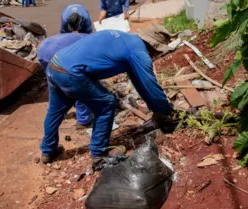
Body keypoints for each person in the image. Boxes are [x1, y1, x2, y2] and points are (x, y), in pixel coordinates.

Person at [40, 26, 174, 165]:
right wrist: (165, 110)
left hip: (54, 65)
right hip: (71, 73)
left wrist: (154, 106)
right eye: (157, 51)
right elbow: (149, 83)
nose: (156, 55)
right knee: (106, 103)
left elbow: (139, 82)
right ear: (152, 45)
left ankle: (48, 150)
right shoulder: (139, 51)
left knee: (55, 112)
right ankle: (98, 154)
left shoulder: (125, 38)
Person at [37, 34, 92, 129]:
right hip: (56, 54)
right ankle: (84, 121)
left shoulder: (86, 37)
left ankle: (55, 113)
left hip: (42, 51)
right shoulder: (92, 47)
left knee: (55, 85)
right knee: (80, 87)